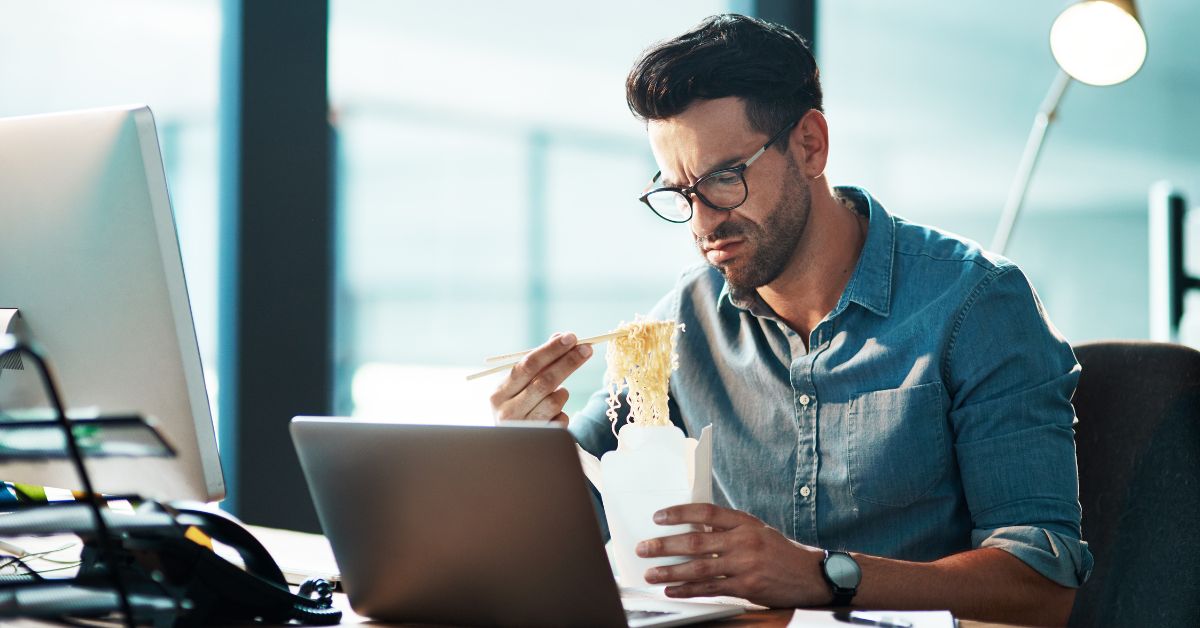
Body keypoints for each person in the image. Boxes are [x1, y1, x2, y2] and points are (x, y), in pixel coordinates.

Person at [489, 14, 1091, 626]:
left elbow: (1042, 584)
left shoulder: (976, 303)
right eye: (680, 193)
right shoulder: (683, 320)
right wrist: (524, 452)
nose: (702, 223)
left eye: (724, 178)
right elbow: (581, 517)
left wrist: (820, 575)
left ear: (809, 145)